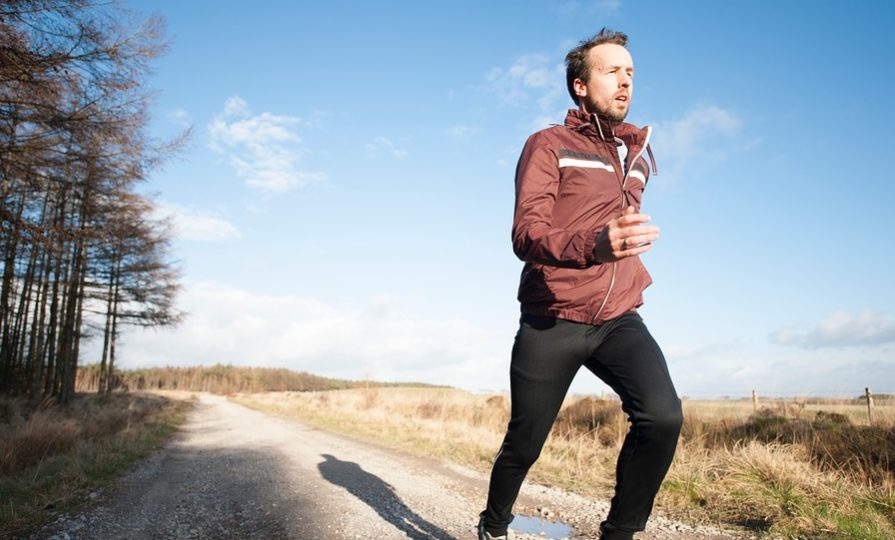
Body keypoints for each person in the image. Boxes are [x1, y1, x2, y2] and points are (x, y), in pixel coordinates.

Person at [478, 29, 683, 540]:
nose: (625, 81)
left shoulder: (635, 157)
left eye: (631, 73)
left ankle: (618, 534)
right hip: (554, 315)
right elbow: (527, 233)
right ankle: (494, 525)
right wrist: (595, 242)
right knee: (525, 442)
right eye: (612, 71)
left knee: (662, 418)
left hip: (618, 317)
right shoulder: (549, 145)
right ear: (579, 85)